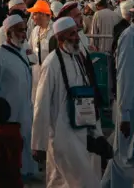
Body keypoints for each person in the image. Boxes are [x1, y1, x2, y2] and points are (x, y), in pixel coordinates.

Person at [32, 16, 101, 188]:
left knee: (61, 182)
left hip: (82, 130)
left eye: (76, 33)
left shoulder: (77, 58)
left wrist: (95, 132)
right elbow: (42, 104)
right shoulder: (51, 64)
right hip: (62, 135)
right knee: (84, 182)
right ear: (60, 38)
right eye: (72, 34)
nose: (77, 37)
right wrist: (38, 144)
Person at [102, 0, 134, 188]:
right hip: (129, 106)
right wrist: (124, 114)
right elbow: (124, 76)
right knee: (125, 158)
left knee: (124, 155)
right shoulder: (129, 37)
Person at [0, 15, 35, 178]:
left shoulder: (21, 53)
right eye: (20, 30)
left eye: (24, 30)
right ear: (9, 33)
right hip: (7, 117)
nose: (24, 34)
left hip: (24, 112)